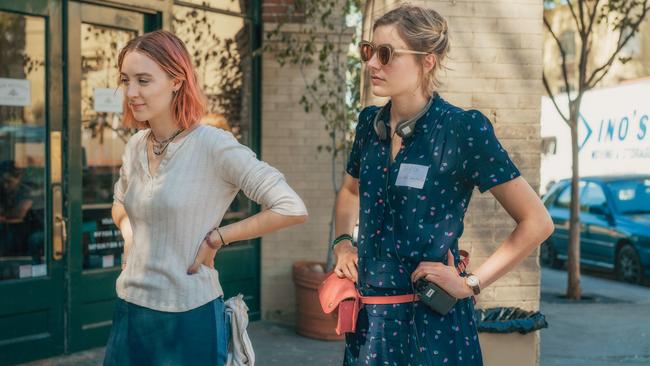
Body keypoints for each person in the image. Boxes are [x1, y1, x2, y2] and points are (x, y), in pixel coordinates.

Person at [332, 5, 554, 365]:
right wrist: (343, 244)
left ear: (428, 61)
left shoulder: (462, 130)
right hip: (368, 327)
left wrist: (471, 283)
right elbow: (350, 191)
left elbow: (537, 222)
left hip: (432, 330)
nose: (372, 64)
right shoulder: (368, 125)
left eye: (386, 54)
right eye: (369, 51)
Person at [103, 30, 308, 366]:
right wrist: (129, 234)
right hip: (130, 306)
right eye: (126, 80)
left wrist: (218, 238)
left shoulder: (213, 145)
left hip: (187, 313)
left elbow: (291, 207)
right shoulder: (136, 145)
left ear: (176, 81)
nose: (131, 92)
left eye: (143, 80)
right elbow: (120, 202)